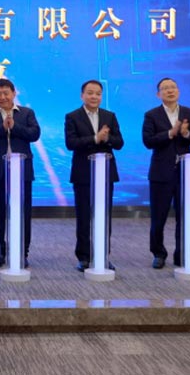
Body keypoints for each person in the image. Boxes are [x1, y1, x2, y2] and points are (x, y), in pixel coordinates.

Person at [0, 78, 40, 267]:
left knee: (23, 212)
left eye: (6, 93)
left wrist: (14, 127)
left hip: (22, 171)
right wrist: (2, 128)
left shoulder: (27, 113)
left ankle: (22, 252)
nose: (3, 97)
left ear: (14, 93)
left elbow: (34, 134)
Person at [142, 77, 190, 269]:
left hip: (185, 173)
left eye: (173, 87)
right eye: (165, 88)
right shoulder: (151, 115)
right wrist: (170, 133)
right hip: (161, 172)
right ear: (158, 94)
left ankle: (182, 254)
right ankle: (158, 253)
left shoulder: (189, 113)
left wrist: (185, 133)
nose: (170, 91)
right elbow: (148, 141)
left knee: (184, 216)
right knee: (158, 217)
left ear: (178, 91)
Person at [64, 80, 124, 272]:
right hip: (83, 173)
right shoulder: (72, 116)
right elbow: (71, 143)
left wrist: (107, 138)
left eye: (98, 93)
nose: (94, 96)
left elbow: (119, 143)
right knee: (84, 217)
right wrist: (94, 139)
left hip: (105, 173)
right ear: (82, 95)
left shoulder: (109, 116)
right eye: (90, 93)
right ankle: (83, 257)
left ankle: (103, 255)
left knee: (104, 216)